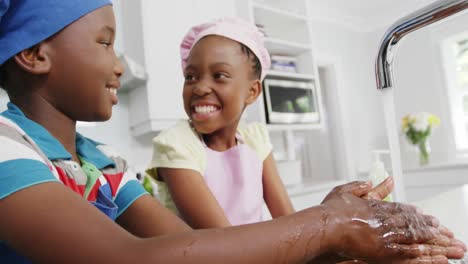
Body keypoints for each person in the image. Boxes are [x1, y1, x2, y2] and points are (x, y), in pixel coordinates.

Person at [0, 1, 465, 263]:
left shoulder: (103, 166)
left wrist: (338, 234)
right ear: (35, 54)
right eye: (105, 43)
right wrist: (331, 225)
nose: (120, 65)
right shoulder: (6, 148)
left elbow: (183, 248)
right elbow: (133, 260)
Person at [146, 17, 295, 228]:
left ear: (252, 92)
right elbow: (224, 242)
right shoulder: (176, 144)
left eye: (219, 75)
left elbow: (289, 222)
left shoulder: (256, 139)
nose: (200, 88)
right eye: (191, 77)